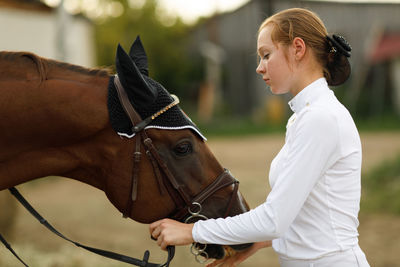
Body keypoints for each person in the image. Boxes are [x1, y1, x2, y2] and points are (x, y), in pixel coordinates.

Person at [149, 7, 370, 267]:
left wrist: (191, 231)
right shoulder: (305, 116)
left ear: (298, 49)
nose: (259, 68)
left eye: (266, 55)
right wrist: (255, 244)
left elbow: (274, 219)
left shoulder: (321, 119)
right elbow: (305, 212)